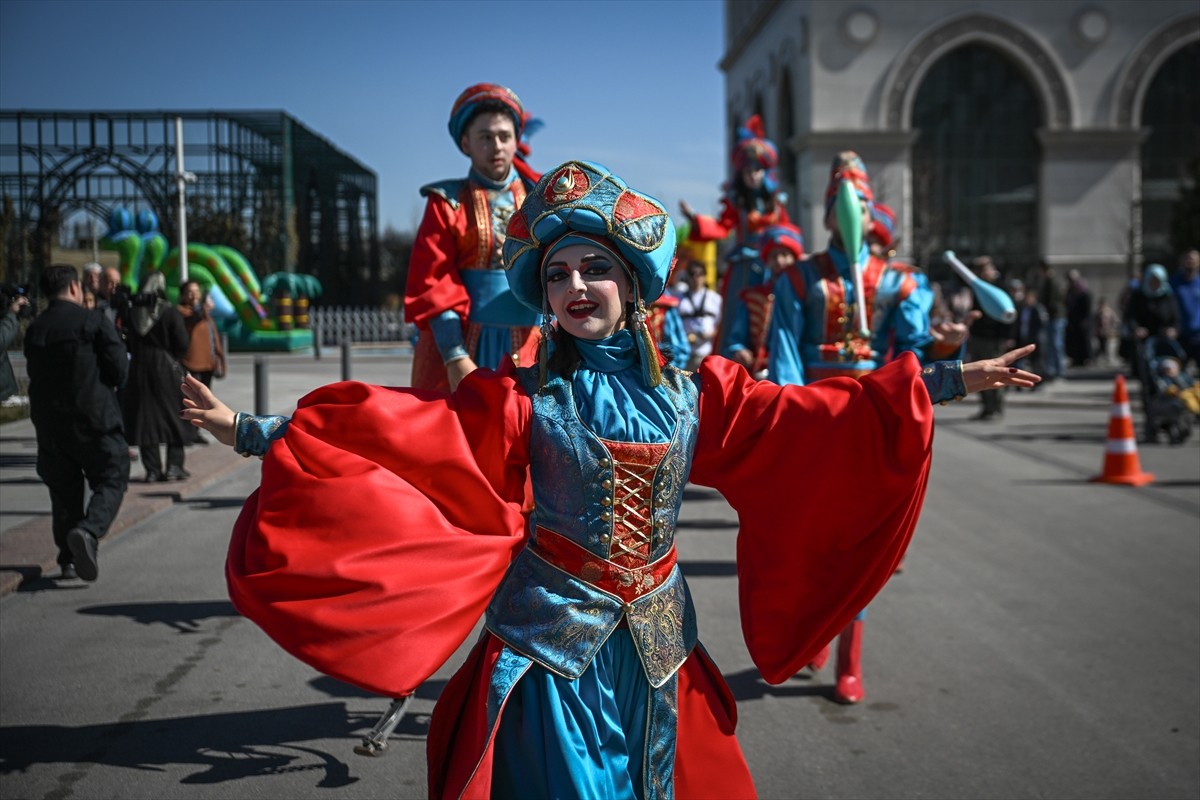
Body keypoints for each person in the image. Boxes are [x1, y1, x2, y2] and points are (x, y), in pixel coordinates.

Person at [181, 160, 1038, 798]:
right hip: (551, 657)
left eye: (592, 269)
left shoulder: (692, 394)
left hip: (662, 654)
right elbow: (399, 439)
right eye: (556, 275)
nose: (574, 286)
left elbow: (814, 417)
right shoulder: (521, 397)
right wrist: (257, 430)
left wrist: (951, 381)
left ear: (632, 284)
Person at [765, 152, 954, 702]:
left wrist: (946, 347)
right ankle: (818, 631)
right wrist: (794, 413)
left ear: (874, 214)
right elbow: (784, 353)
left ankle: (850, 661)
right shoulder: (798, 279)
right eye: (841, 204)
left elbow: (910, 354)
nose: (851, 210)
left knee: (859, 543)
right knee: (814, 541)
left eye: (862, 202)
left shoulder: (901, 281)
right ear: (827, 216)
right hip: (816, 417)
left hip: (869, 419)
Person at [404, 83, 542, 392]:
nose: (496, 146)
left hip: (533, 347)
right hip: (462, 347)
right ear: (465, 143)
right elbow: (433, 283)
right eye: (485, 137)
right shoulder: (446, 202)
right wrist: (455, 356)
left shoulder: (541, 200)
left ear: (516, 140)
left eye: (505, 137)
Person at [23, 265, 129, 581]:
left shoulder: (35, 329)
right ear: (73, 288)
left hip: (50, 424)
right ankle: (88, 531)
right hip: (94, 418)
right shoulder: (92, 321)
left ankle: (68, 560)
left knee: (64, 491)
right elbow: (119, 369)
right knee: (113, 474)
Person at [679, 115, 793, 357]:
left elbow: (787, 234)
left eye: (758, 170)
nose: (753, 176)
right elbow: (720, 228)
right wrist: (693, 218)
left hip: (770, 267)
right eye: (748, 171)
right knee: (734, 312)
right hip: (742, 267)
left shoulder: (776, 205)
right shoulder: (736, 203)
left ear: (765, 172)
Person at [122, 272, 190, 481]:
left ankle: (152, 469)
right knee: (176, 415)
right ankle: (174, 466)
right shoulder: (169, 313)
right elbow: (182, 344)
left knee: (146, 419)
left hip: (140, 367)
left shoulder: (133, 314)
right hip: (166, 368)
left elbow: (127, 340)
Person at [723, 223, 804, 379]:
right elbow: (736, 338)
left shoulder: (805, 297)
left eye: (785, 255)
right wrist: (739, 350)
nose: (780, 261)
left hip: (800, 372)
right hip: (761, 373)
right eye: (774, 256)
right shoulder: (752, 297)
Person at [966, 257, 1016, 420]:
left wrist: (1007, 337)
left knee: (995, 373)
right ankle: (986, 407)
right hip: (979, 336)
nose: (981, 273)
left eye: (984, 269)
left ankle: (996, 408)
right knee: (979, 374)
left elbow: (1009, 313)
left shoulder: (1000, 287)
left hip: (994, 338)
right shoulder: (979, 287)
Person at [673, 258, 723, 370]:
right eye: (692, 274)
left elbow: (719, 325)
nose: (696, 278)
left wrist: (708, 334)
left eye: (699, 274)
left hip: (706, 352)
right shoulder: (678, 298)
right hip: (683, 351)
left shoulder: (715, 298)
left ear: (705, 276)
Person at [1031, 259, 1067, 380]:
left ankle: (1058, 370)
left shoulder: (1051, 282)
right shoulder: (1049, 281)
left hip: (1055, 317)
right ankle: (1054, 369)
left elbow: (1051, 301)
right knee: (1053, 344)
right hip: (1054, 317)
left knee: (1055, 344)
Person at [1170, 248, 1200, 372]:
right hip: (1180, 335)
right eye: (1187, 259)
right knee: (1179, 374)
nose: (1189, 262)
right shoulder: (1174, 282)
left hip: (1198, 335)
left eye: (1193, 259)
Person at [1065, 269, 1094, 366]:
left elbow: (1087, 307)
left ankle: (1086, 358)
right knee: (1074, 342)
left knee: (1084, 341)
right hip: (1073, 321)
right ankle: (1075, 359)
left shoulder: (1084, 293)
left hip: (1082, 321)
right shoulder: (1070, 291)